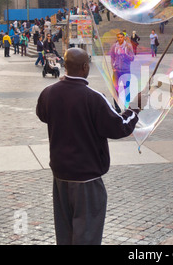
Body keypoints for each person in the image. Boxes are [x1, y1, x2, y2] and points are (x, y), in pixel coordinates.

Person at [36, 47, 141, 245]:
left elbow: (42, 114)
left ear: (65, 66)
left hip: (60, 176)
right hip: (87, 179)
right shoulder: (93, 97)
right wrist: (135, 109)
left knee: (65, 234)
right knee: (87, 236)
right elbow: (120, 128)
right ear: (85, 67)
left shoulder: (49, 93)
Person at [110, 32, 135, 111]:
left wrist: (125, 54)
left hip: (126, 70)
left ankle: (126, 106)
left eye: (121, 37)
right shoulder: (114, 46)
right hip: (116, 71)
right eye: (118, 37)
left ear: (124, 38)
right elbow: (112, 57)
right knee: (115, 89)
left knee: (126, 89)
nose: (120, 39)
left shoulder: (128, 46)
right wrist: (113, 67)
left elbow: (132, 58)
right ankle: (117, 107)